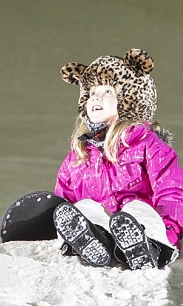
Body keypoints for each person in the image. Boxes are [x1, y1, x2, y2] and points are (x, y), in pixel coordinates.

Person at [52, 49, 183, 270]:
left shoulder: (147, 145)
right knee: (84, 207)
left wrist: (169, 232)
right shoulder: (79, 155)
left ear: (129, 100)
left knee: (135, 209)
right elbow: (64, 196)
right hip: (106, 227)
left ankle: (148, 247)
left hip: (144, 226)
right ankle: (93, 242)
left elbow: (171, 190)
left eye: (107, 91)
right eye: (92, 92)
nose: (95, 97)